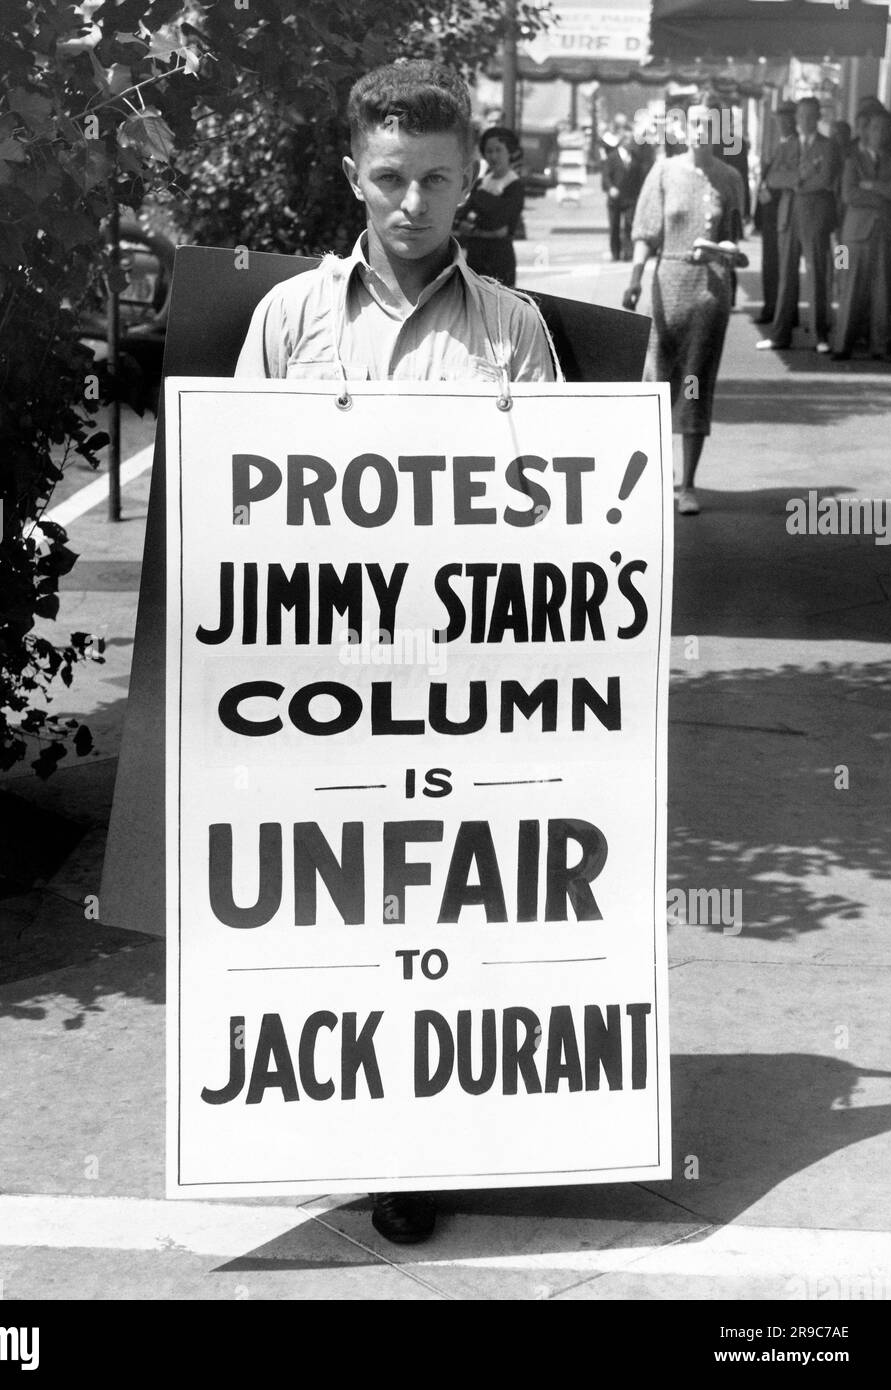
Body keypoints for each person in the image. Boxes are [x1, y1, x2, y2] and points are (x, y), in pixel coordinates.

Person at [235, 59, 560, 1244]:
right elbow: (239, 510)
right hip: (320, 682)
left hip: (462, 684)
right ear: (351, 177)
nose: (412, 202)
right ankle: (359, 1119)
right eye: (389, 178)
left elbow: (557, 526)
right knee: (339, 916)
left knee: (446, 921)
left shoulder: (513, 332)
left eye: (436, 177)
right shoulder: (287, 322)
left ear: (471, 176)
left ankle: (422, 1141)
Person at [623, 105, 745, 516]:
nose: (700, 132)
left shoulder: (730, 179)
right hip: (667, 281)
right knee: (656, 381)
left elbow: (735, 239)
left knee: (695, 380)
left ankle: (688, 484)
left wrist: (728, 257)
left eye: (710, 126)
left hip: (710, 290)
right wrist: (636, 278)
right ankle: (655, 476)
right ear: (682, 127)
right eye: (695, 123)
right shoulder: (663, 172)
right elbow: (646, 233)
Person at [757, 96, 841, 355]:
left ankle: (820, 335)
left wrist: (794, 182)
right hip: (788, 217)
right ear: (796, 118)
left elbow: (826, 178)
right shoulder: (787, 145)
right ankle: (780, 334)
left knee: (817, 276)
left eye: (810, 115)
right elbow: (773, 177)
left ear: (818, 117)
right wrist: (799, 177)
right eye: (801, 116)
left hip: (815, 218)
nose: (804, 120)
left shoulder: (828, 147)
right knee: (786, 278)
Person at [832, 109, 891, 360]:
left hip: (884, 233)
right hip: (851, 235)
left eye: (884, 129)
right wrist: (884, 195)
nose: (879, 134)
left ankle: (880, 346)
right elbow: (850, 195)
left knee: (882, 291)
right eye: (874, 128)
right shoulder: (853, 161)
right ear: (866, 132)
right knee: (849, 287)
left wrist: (871, 186)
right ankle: (842, 344)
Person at [456, 125, 525, 285]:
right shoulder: (480, 183)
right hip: (474, 258)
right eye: (489, 151)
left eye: (498, 150)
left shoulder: (515, 186)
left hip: (499, 259)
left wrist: (473, 227)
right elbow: (462, 217)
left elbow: (501, 228)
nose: (493, 156)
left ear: (510, 152)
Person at [754, 102, 797, 325]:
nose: (782, 124)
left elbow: (790, 179)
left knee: (780, 265)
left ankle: (778, 309)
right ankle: (774, 307)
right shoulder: (779, 145)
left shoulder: (795, 145)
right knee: (771, 263)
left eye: (786, 119)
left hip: (782, 212)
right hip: (771, 213)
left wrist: (771, 190)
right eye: (780, 119)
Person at [601, 130, 645, 261]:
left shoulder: (636, 158)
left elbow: (640, 176)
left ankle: (628, 252)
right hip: (615, 199)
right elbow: (605, 176)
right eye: (627, 140)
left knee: (629, 225)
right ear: (621, 142)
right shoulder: (612, 157)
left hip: (630, 197)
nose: (630, 143)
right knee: (614, 226)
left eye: (632, 140)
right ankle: (615, 252)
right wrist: (610, 188)